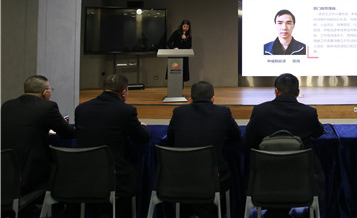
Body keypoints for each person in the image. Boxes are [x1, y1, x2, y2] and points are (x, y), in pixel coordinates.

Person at [244, 73, 324, 218]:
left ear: (276, 91)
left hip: (265, 180)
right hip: (301, 181)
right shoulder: (309, 113)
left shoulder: (260, 111)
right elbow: (318, 132)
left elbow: (248, 141)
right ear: (298, 92)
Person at [75, 74, 150, 216]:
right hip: (116, 177)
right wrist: (141, 126)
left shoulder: (81, 109)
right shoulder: (126, 111)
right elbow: (143, 137)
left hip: (85, 174)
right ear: (123, 93)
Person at [1, 75, 75, 194]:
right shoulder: (48, 107)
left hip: (6, 167)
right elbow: (67, 132)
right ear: (45, 93)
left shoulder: (7, 106)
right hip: (32, 168)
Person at [166, 80, 241, 185]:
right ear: (213, 99)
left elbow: (170, 139)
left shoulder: (179, 112)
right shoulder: (223, 112)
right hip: (214, 178)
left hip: (181, 176)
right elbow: (236, 135)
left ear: (190, 99)